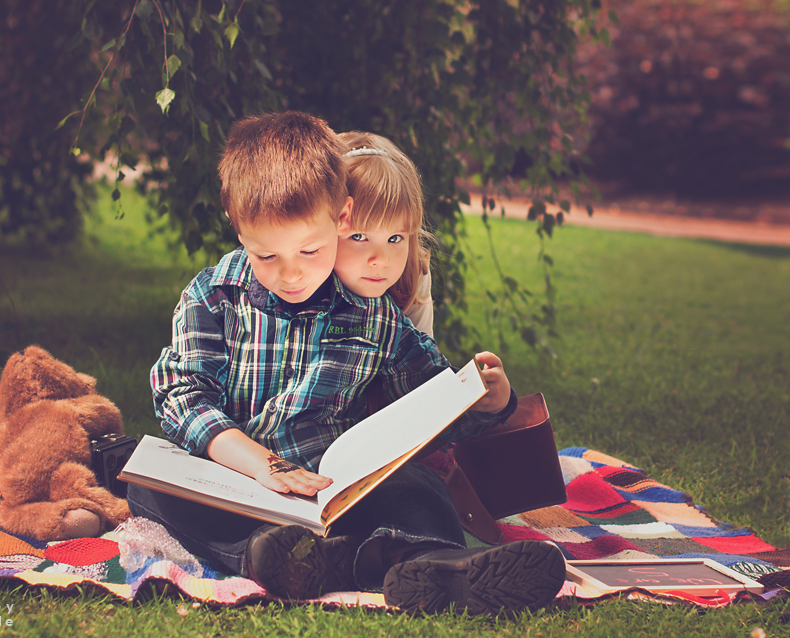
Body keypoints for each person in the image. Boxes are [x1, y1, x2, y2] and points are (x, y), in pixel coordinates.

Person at [127, 111, 565, 614]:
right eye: (266, 257)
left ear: (341, 219)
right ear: (238, 229)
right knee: (152, 489)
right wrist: (261, 465)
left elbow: (432, 406)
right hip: (238, 482)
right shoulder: (215, 295)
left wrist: (489, 401)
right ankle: (281, 559)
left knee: (418, 485)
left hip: (334, 494)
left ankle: (436, 564)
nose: (291, 274)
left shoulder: (372, 317)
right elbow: (181, 395)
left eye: (310, 251)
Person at [334, 131, 435, 337]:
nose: (380, 261)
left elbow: (428, 368)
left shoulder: (412, 273)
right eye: (359, 236)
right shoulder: (298, 277)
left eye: (395, 238)